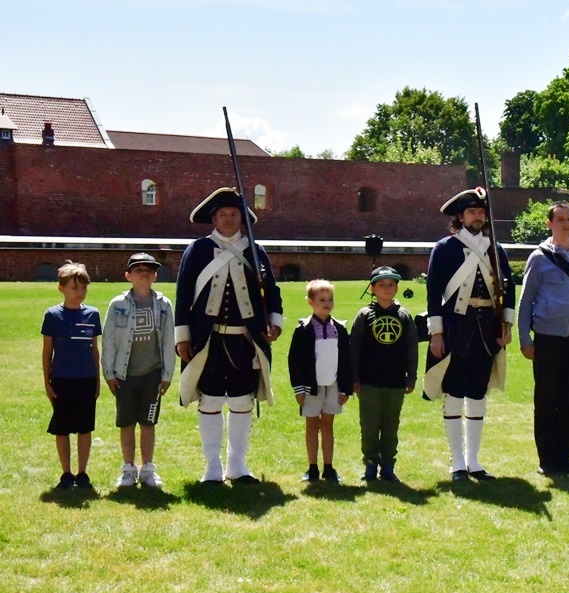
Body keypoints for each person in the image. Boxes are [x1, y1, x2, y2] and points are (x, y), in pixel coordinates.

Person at [175, 187, 284, 485]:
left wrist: (274, 321)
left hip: (244, 341)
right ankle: (212, 466)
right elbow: (183, 293)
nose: (228, 219)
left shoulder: (255, 250)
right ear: (213, 217)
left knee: (241, 401)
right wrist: (182, 336)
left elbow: (271, 291)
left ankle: (237, 465)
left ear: (242, 217)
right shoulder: (197, 250)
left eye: (234, 214)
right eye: (223, 214)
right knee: (209, 401)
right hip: (206, 340)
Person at [424, 187, 515, 482]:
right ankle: (457, 461)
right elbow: (433, 294)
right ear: (460, 217)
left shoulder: (496, 250)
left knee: (478, 392)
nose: (478, 216)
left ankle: (474, 460)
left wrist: (506, 325)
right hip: (455, 329)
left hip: (486, 330)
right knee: (454, 392)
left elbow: (509, 290)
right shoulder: (445, 249)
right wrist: (436, 333)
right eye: (472, 212)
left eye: (481, 212)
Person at [517, 201, 569, 476]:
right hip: (548, 336)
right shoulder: (539, 258)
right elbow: (526, 299)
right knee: (547, 399)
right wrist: (524, 338)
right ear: (549, 223)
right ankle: (547, 459)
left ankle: (567, 458)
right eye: (560, 219)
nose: (566, 223)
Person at [101, 253, 175, 488]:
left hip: (152, 373)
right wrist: (109, 373)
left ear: (155, 275)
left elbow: (168, 340)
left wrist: (167, 375)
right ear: (128, 276)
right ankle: (128, 468)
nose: (143, 273)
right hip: (125, 375)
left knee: (148, 422)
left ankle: (148, 467)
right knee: (126, 423)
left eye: (148, 270)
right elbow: (109, 341)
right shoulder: (118, 305)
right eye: (138, 269)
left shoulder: (163, 304)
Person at [350, 267, 418, 482]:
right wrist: (354, 377)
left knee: (391, 425)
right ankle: (370, 462)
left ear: (397, 288)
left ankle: (388, 465)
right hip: (369, 381)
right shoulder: (364, 315)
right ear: (372, 289)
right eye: (382, 285)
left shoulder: (405, 316)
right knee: (369, 425)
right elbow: (354, 348)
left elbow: (412, 349)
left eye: (391, 284)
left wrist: (411, 377)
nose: (387, 289)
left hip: (395, 381)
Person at [42, 261, 102, 490]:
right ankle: (66, 473)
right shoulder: (53, 315)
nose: (79, 293)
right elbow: (48, 351)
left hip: (85, 379)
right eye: (74, 288)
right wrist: (47, 381)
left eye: (83, 288)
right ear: (62, 288)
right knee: (63, 427)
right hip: (61, 379)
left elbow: (94, 349)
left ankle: (82, 472)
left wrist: (97, 380)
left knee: (85, 427)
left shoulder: (93, 314)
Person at [288, 280, 352, 483]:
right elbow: (294, 361)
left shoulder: (340, 328)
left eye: (330, 299)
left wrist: (345, 388)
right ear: (310, 302)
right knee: (311, 425)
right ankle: (312, 468)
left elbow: (346, 360)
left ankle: (329, 467)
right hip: (311, 388)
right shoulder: (304, 329)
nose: (327, 303)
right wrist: (299, 389)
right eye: (322, 299)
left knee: (328, 425)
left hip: (333, 386)